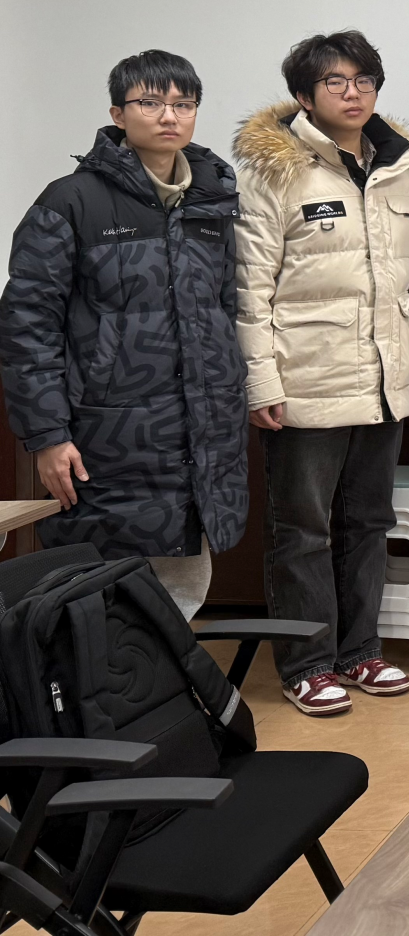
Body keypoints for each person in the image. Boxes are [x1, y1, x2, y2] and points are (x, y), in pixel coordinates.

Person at [0, 51, 245, 619]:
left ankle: (164, 676)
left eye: (184, 104)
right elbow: (27, 326)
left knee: (186, 580)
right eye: (150, 102)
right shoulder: (71, 201)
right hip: (107, 434)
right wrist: (46, 435)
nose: (170, 116)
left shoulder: (212, 198)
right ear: (118, 113)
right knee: (101, 593)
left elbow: (225, 310)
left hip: (203, 431)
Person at [236, 31, 409, 716]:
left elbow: (405, 280)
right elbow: (250, 290)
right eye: (336, 82)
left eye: (364, 80)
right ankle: (307, 664)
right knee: (304, 532)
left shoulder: (400, 167)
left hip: (381, 380)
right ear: (304, 96)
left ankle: (359, 651)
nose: (353, 93)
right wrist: (262, 382)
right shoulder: (275, 172)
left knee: (368, 522)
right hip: (305, 380)